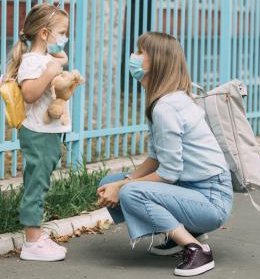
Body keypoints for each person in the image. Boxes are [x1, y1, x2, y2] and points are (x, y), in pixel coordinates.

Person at [97, 32, 233, 277]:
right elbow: (156, 158)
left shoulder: (167, 107)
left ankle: (196, 248)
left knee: (130, 192)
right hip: (193, 189)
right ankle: (184, 232)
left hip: (211, 199)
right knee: (111, 183)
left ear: (157, 62)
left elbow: (168, 174)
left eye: (140, 52)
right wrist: (120, 182)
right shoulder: (164, 101)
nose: (133, 57)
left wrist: (125, 187)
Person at [4, 3, 70, 262]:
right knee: (36, 185)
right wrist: (50, 70)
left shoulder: (45, 60)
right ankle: (32, 242)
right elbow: (29, 94)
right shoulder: (32, 62)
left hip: (47, 132)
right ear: (44, 34)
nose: (65, 38)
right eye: (62, 32)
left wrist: (57, 62)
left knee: (40, 182)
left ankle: (36, 234)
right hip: (37, 133)